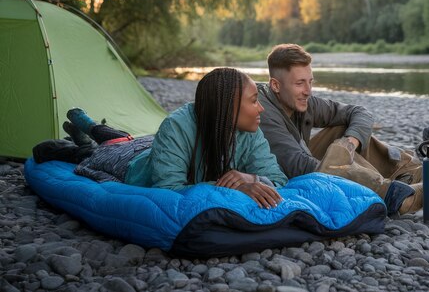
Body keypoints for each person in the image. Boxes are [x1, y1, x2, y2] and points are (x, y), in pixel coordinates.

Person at [33, 68, 287, 209]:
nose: (260, 109)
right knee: (98, 154)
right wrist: (233, 189)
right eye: (254, 101)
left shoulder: (251, 132)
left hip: (149, 145)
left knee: (124, 139)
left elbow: (278, 179)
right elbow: (169, 191)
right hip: (132, 165)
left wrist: (250, 178)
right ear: (227, 108)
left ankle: (87, 125)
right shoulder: (177, 127)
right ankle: (82, 142)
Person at [257, 44, 429, 215]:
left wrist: (350, 142)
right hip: (291, 177)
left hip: (310, 166)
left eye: (311, 82)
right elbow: (299, 167)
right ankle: (394, 194)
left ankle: (404, 172)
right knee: (336, 159)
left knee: (343, 129)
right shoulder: (263, 112)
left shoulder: (301, 101)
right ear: (275, 85)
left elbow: (360, 112)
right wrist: (341, 157)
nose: (308, 91)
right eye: (300, 83)